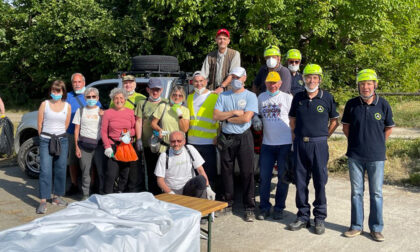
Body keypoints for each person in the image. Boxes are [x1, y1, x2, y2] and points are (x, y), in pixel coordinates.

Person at [342, 69, 394, 242]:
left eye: (369, 83)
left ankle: (376, 228)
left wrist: (377, 143)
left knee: (376, 193)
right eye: (362, 84)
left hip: (376, 157)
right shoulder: (351, 104)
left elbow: (389, 128)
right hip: (355, 156)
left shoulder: (383, 104)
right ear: (358, 86)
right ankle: (356, 226)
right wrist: (358, 143)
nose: (365, 87)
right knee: (356, 192)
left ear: (375, 85)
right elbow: (346, 128)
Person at [287, 64, 339, 235]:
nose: (311, 80)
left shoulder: (327, 97)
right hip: (301, 144)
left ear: (320, 79)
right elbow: (292, 120)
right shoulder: (298, 97)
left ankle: (319, 218)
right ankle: (302, 216)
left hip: (319, 145)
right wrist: (296, 137)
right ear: (303, 79)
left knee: (319, 181)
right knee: (301, 181)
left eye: (315, 77)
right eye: (308, 77)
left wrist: (324, 137)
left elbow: (334, 121)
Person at [213, 67, 258, 222]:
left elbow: (246, 119)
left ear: (244, 78)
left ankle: (249, 207)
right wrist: (233, 113)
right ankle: (227, 203)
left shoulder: (251, 96)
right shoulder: (223, 95)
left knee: (247, 172)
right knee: (226, 171)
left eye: (238, 77)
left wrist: (225, 118)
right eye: (232, 77)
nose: (235, 80)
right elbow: (215, 115)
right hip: (227, 137)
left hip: (244, 137)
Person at [254, 72, 293, 221]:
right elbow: (255, 113)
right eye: (269, 83)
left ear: (280, 83)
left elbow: (294, 118)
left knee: (283, 178)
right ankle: (264, 207)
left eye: (275, 83)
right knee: (264, 178)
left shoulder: (287, 98)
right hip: (267, 144)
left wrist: (294, 143)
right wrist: (255, 119)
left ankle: (279, 208)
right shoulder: (261, 97)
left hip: (285, 143)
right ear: (265, 83)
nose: (272, 85)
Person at [36, 80, 71, 214]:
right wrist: (44, 137)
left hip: (61, 140)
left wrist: (58, 136)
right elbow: (39, 124)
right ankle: (43, 200)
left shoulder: (67, 106)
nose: (55, 93)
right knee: (45, 170)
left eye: (58, 91)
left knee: (61, 169)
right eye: (53, 91)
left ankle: (57, 197)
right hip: (46, 140)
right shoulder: (44, 104)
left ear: (63, 92)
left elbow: (66, 124)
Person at [66, 73, 101, 196]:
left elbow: (99, 111)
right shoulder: (68, 96)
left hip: (90, 136)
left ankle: (92, 184)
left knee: (91, 162)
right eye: (74, 82)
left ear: (84, 82)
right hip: (72, 132)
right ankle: (74, 184)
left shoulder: (90, 94)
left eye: (79, 81)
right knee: (72, 161)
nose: (77, 84)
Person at [154, 131, 215, 200]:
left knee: (201, 180)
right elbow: (160, 180)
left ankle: (203, 206)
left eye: (179, 141)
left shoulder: (190, 149)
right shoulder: (164, 156)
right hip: (173, 190)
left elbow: (200, 170)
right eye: (173, 141)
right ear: (170, 142)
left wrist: (208, 187)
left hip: (188, 187)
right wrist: (170, 193)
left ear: (184, 141)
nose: (176, 144)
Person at [111, 75, 146, 192]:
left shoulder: (141, 98)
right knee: (122, 167)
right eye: (126, 83)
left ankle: (133, 190)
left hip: (134, 139)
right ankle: (122, 189)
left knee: (134, 168)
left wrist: (139, 138)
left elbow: (142, 119)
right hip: (119, 141)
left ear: (135, 84)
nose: (128, 85)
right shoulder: (116, 98)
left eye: (131, 83)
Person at [186, 71, 219, 191]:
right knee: (194, 175)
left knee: (209, 173)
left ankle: (211, 200)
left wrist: (218, 136)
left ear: (206, 81)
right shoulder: (189, 98)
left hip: (208, 142)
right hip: (192, 142)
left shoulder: (214, 96)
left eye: (201, 81)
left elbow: (220, 119)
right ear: (192, 82)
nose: (199, 84)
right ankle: (197, 200)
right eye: (196, 81)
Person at [135, 78, 168, 194]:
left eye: (158, 90)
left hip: (164, 143)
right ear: (148, 89)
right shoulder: (142, 103)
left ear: (162, 90)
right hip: (148, 143)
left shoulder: (166, 102)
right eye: (153, 89)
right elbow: (138, 122)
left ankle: (165, 193)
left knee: (164, 169)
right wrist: (138, 139)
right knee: (151, 169)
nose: (155, 92)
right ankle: (152, 193)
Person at [101, 88, 137, 194]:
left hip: (126, 145)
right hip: (112, 145)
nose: (119, 100)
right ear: (113, 99)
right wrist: (107, 147)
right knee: (111, 174)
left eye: (121, 98)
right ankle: (107, 195)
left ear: (125, 99)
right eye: (116, 98)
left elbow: (135, 128)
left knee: (125, 173)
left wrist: (129, 133)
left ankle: (120, 192)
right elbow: (103, 132)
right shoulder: (108, 113)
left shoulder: (130, 112)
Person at [73, 87, 104, 199]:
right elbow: (77, 129)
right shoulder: (80, 111)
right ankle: (85, 194)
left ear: (97, 98)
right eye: (88, 97)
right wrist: (76, 147)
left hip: (99, 146)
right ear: (85, 98)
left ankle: (101, 193)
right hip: (84, 146)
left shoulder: (102, 112)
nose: (91, 99)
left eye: (93, 96)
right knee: (85, 172)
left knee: (101, 171)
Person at [151, 86, 190, 153]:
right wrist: (159, 130)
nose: (177, 97)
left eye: (180, 96)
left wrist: (179, 113)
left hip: (179, 148)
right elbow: (153, 123)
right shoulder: (163, 106)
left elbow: (185, 129)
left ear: (183, 98)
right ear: (171, 95)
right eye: (174, 94)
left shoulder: (185, 110)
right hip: (164, 147)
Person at [201, 28, 241, 94]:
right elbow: (203, 75)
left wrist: (221, 87)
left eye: (224, 39)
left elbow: (233, 75)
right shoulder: (209, 56)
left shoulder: (235, 54)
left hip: (229, 91)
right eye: (220, 38)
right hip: (213, 90)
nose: (222, 41)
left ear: (228, 41)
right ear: (216, 40)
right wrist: (198, 87)